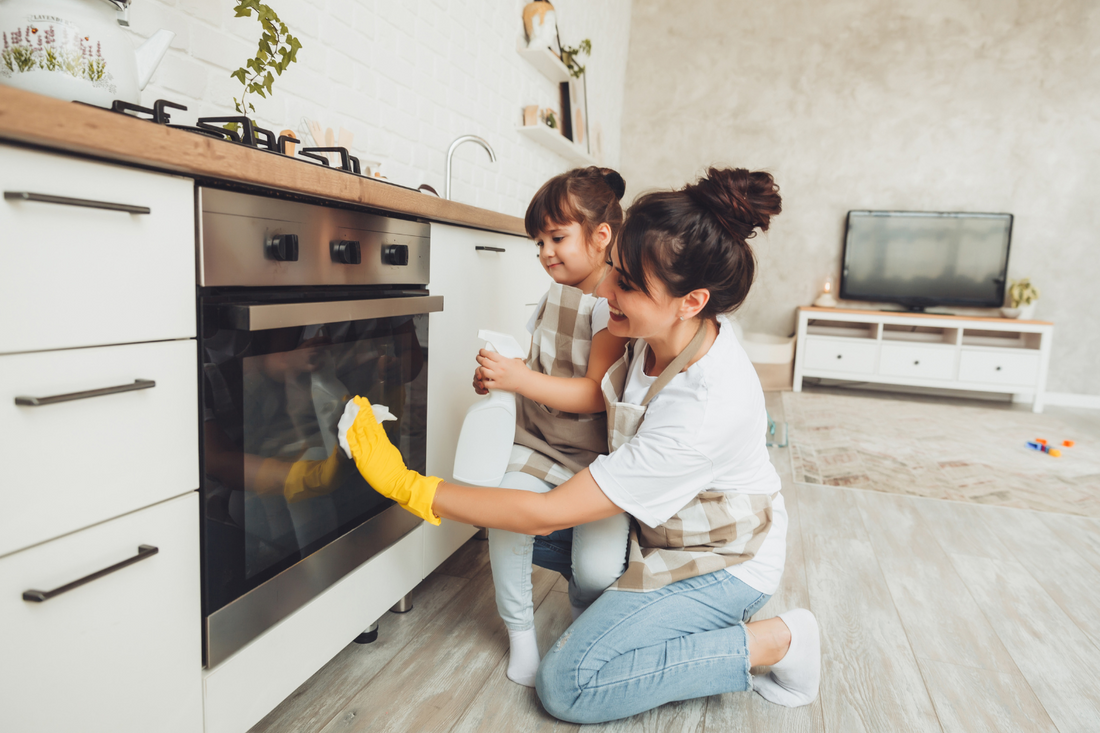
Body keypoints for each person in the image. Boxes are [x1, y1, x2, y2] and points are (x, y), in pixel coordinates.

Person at [339, 167, 821, 724]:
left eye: (628, 286)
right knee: (495, 521)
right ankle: (636, 619)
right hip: (655, 526)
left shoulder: (704, 407)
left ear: (691, 302)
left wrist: (409, 486)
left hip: (718, 558)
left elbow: (545, 513)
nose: (605, 291)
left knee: (568, 687)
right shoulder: (655, 330)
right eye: (615, 269)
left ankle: (781, 641)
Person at [472, 166, 631, 687]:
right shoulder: (555, 288)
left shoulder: (613, 302)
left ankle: (586, 615)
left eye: (557, 238)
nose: (545, 252)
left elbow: (591, 391)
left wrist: (519, 379)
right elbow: (538, 362)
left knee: (597, 571)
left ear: (601, 235)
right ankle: (520, 631)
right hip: (538, 442)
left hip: (596, 459)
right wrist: (501, 376)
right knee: (506, 517)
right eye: (538, 241)